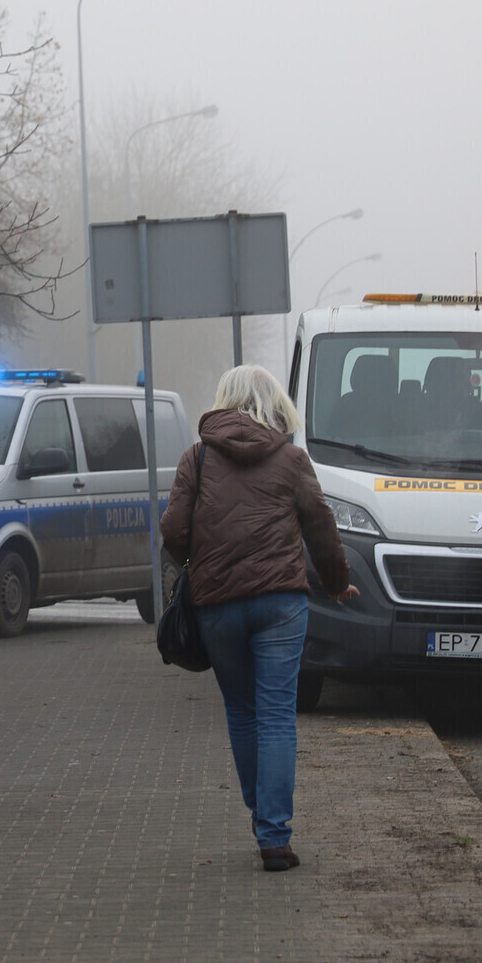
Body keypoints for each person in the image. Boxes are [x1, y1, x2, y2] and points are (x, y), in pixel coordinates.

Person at [160, 365, 358, 873]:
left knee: (242, 711)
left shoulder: (196, 459)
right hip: (280, 603)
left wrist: (199, 559)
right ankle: (274, 834)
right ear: (275, 407)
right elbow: (320, 525)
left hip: (217, 603)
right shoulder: (292, 460)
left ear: (224, 401)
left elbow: (173, 530)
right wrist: (336, 582)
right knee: (276, 715)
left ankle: (261, 811)